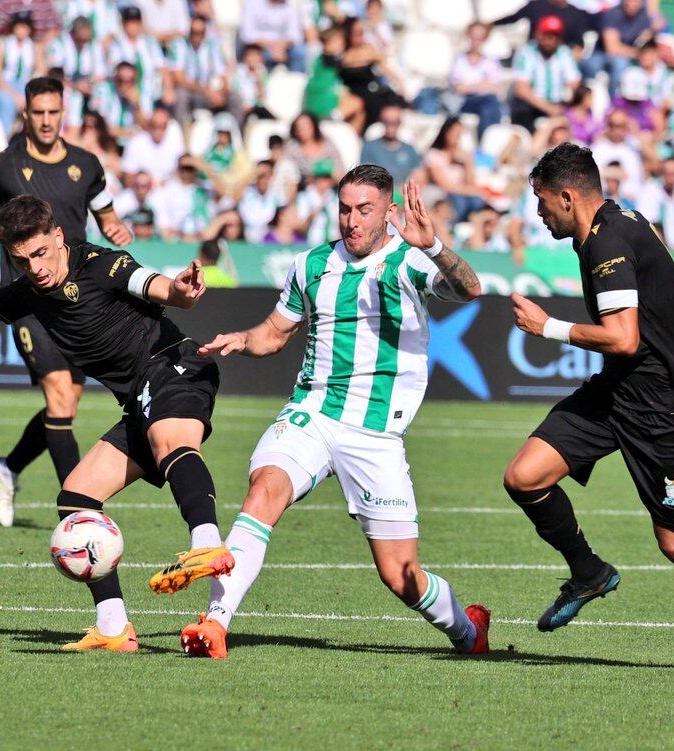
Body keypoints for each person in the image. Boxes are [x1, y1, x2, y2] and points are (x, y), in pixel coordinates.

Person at [180, 169, 489, 659]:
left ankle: (468, 632)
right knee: (264, 489)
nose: (351, 220)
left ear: (389, 211)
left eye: (364, 210)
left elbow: (469, 289)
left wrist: (435, 247)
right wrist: (243, 339)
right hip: (312, 412)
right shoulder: (312, 263)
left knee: (400, 576)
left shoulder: (410, 261)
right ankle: (214, 624)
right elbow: (276, 332)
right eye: (344, 209)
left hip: (375, 433)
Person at [0, 191, 233, 651]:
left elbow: (158, 286)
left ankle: (207, 543)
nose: (36, 267)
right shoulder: (30, 289)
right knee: (77, 497)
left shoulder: (101, 264)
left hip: (173, 366)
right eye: (23, 260)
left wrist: (181, 290)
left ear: (59, 236)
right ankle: (113, 628)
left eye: (41, 252)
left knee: (171, 442)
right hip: (138, 398)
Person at [505, 142, 674, 672]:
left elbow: (624, 339)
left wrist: (547, 327)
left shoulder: (608, 244)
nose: (537, 214)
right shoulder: (618, 222)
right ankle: (588, 572)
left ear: (567, 196)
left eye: (541, 202)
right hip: (619, 393)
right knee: (524, 477)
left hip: (669, 410)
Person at [0, 77, 133, 528]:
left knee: (65, 405)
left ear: (64, 112)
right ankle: (78, 512)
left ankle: (8, 467)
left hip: (77, 302)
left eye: (53, 112)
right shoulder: (2, 167)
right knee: (59, 395)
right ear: (26, 115)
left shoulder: (87, 165)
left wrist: (117, 230)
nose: (46, 121)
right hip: (27, 300)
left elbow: (108, 216)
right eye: (38, 112)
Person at [511, 15, 582, 132]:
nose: (550, 40)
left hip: (558, 103)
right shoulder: (526, 52)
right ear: (537, 34)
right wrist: (547, 107)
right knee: (521, 112)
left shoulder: (565, 53)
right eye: (546, 35)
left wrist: (567, 98)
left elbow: (574, 82)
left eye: (554, 36)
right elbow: (521, 89)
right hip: (533, 103)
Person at [450, 22, 504, 137]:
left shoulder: (491, 61)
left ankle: (487, 140)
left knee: (489, 104)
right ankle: (487, 142)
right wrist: (483, 84)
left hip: (485, 101)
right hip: (463, 102)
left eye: (480, 37)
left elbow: (496, 88)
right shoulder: (459, 60)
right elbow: (458, 88)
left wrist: (469, 86)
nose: (475, 41)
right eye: (473, 37)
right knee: (490, 103)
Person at [424, 117, 484, 221]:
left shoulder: (463, 155)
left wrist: (468, 163)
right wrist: (469, 191)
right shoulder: (434, 155)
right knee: (460, 202)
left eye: (459, 134)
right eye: (454, 133)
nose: (457, 138)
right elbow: (443, 185)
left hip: (461, 192)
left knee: (476, 201)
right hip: (444, 194)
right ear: (446, 133)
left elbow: (471, 183)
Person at [0, 10, 41, 132]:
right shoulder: (3, 45)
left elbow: (40, 72)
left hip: (26, 85)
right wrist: (14, 94)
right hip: (5, 85)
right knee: (6, 102)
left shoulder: (34, 47)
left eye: (25, 26)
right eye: (19, 25)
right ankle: (4, 138)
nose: (22, 29)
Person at [359, 104, 421, 187]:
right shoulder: (369, 147)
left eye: (394, 122)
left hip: (404, 193)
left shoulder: (409, 149)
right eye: (387, 121)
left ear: (400, 123)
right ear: (381, 122)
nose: (390, 125)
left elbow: (419, 174)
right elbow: (366, 176)